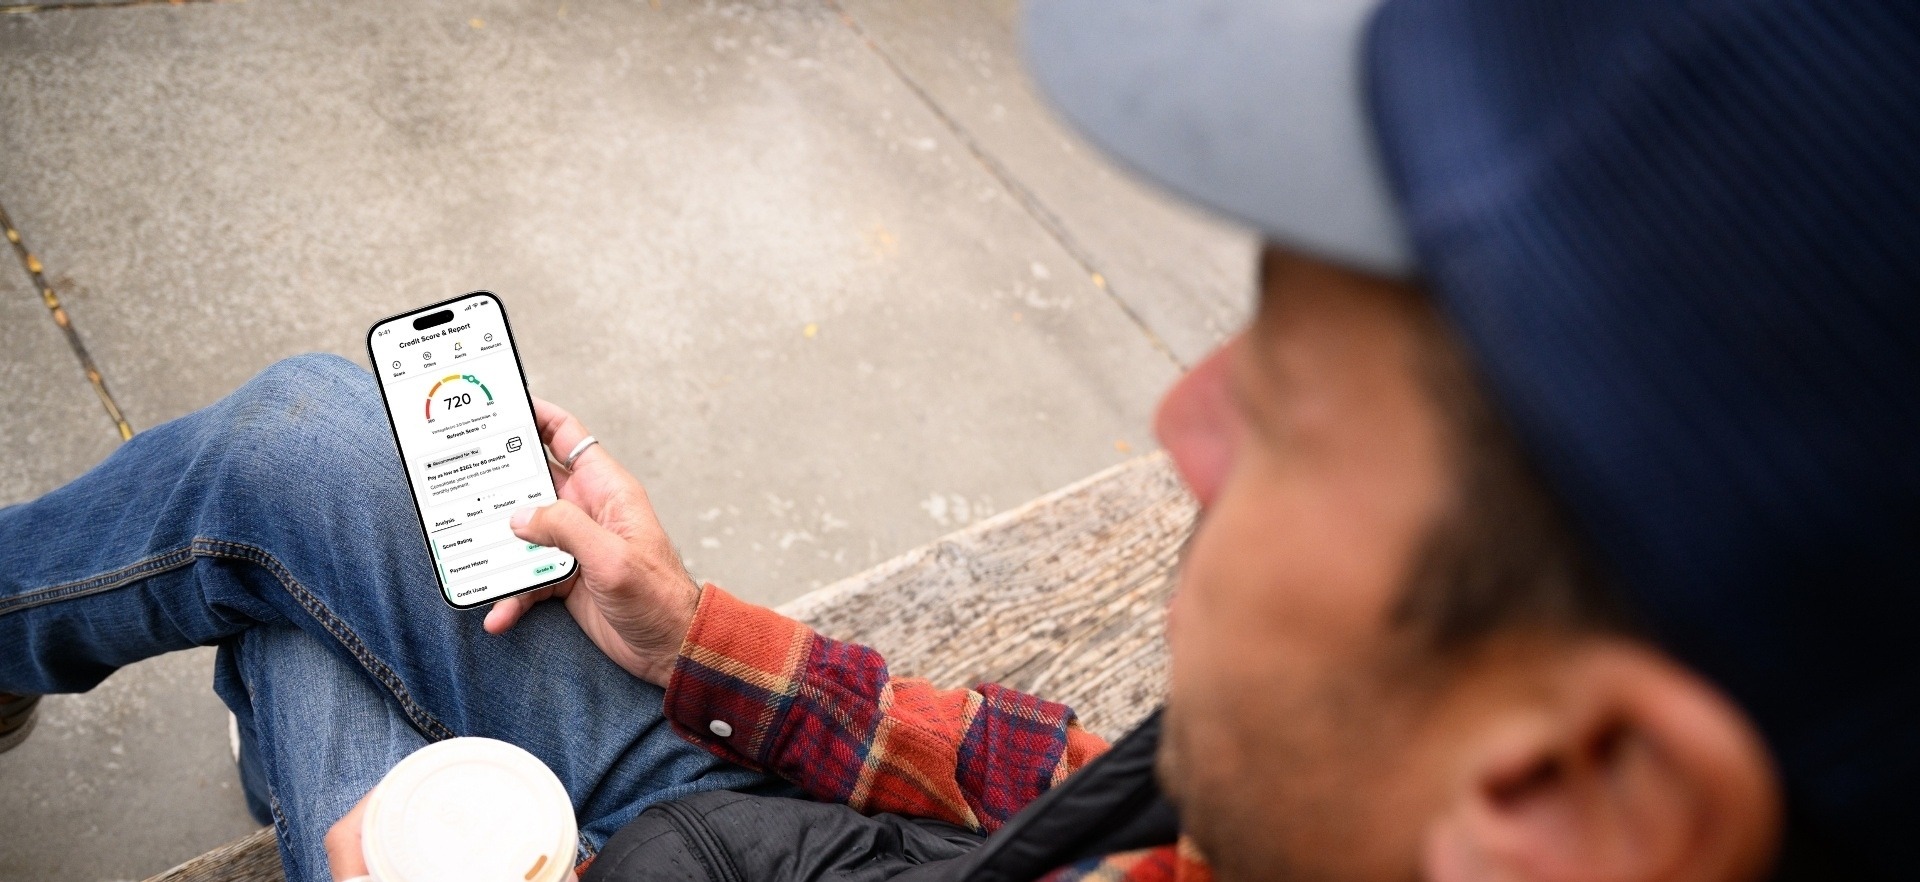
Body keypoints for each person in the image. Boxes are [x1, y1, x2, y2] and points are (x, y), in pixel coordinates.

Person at [4, 0, 1916, 880]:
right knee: (309, 442)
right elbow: (1057, 778)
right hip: (748, 826)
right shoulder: (1298, 809)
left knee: (291, 581)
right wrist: (696, 640)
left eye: (1301, 407)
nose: (1180, 422)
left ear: (1570, 796)